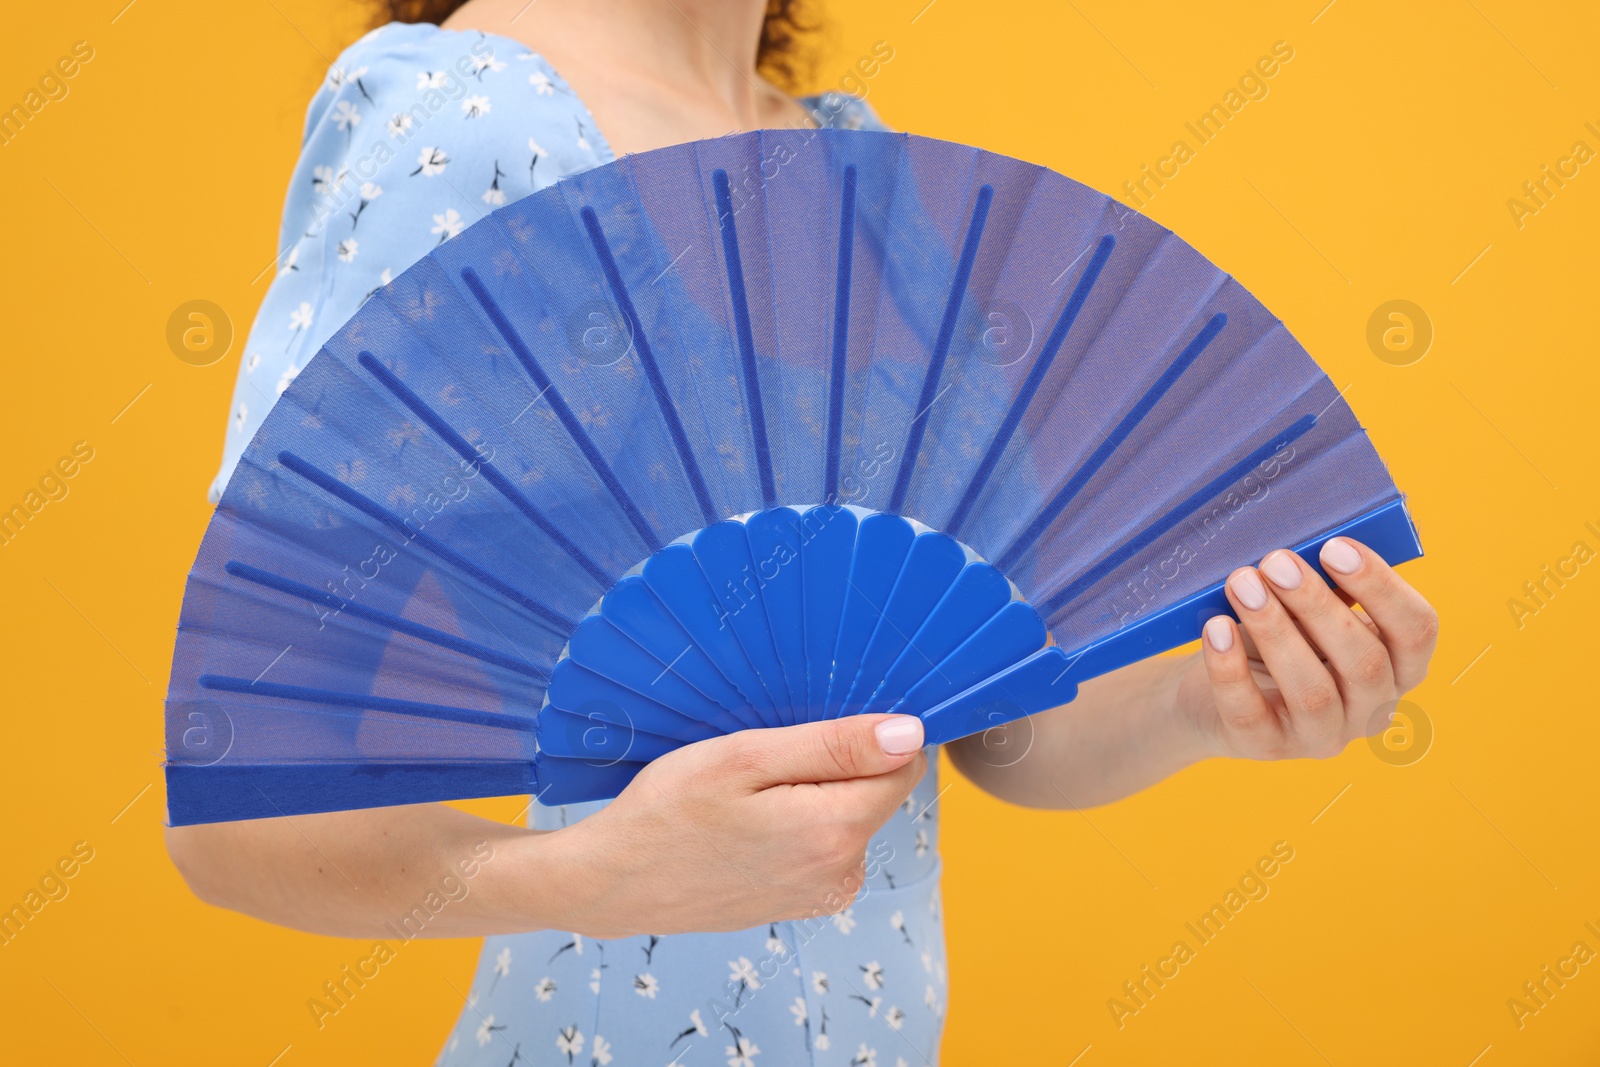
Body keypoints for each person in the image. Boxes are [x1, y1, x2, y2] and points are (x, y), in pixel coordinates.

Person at [165, 2, 1441, 1063]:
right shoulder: (473, 127)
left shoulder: (859, 169)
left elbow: (993, 723)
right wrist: (591, 877)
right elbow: (236, 816)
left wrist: (1208, 705)